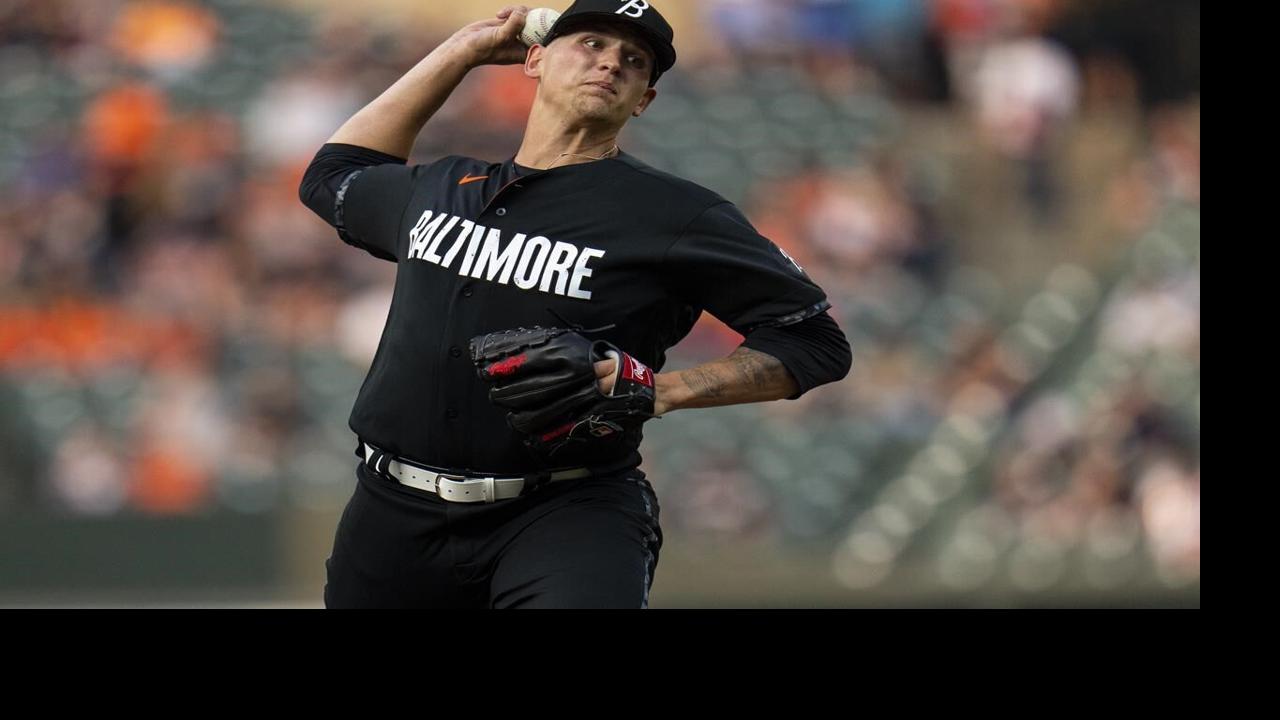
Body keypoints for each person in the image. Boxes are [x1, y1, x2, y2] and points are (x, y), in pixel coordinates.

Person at [298, 0, 852, 609]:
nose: (611, 62)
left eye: (635, 61)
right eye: (590, 42)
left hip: (565, 511)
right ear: (534, 58)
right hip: (392, 514)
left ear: (643, 100)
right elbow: (334, 175)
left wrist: (661, 390)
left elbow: (815, 342)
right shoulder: (440, 189)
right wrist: (463, 53)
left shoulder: (677, 216)